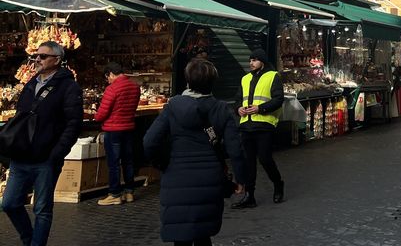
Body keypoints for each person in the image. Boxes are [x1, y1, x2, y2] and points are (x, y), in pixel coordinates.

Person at [143, 59, 246, 246]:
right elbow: (235, 148)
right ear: (213, 82)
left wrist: (161, 164)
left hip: (176, 177)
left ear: (188, 81)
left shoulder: (172, 107)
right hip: (210, 178)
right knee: (203, 235)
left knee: (180, 238)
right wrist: (241, 179)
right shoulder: (222, 109)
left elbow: (149, 141)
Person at [2, 41, 83, 246]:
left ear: (57, 60)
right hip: (21, 156)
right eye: (36, 56)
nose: (37, 59)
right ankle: (29, 239)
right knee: (10, 203)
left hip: (46, 159)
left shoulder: (68, 86)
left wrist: (57, 152)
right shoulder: (31, 83)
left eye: (43, 56)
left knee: (42, 209)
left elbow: (73, 123)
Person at [232, 48, 285, 209]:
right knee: (249, 162)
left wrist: (260, 109)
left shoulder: (273, 76)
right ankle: (250, 196)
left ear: (262, 61)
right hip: (246, 125)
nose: (251, 63)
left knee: (265, 159)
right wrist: (238, 109)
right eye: (250, 60)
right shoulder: (245, 79)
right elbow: (237, 100)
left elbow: (278, 99)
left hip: (264, 125)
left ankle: (278, 184)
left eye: (254, 60)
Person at [94, 61, 141, 205]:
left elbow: (102, 114)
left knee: (114, 163)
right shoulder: (135, 87)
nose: (107, 80)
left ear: (111, 74)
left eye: (107, 77)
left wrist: (95, 116)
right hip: (128, 128)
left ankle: (114, 194)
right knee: (128, 161)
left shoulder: (112, 89)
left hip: (113, 130)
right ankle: (129, 192)